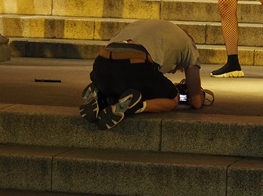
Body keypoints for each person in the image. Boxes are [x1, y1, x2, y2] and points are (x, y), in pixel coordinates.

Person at [79, 19, 207, 130]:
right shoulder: (189, 45)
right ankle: (136, 106)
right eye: (178, 69)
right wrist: (199, 93)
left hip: (101, 66)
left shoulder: (144, 26)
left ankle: (100, 93)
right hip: (136, 65)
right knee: (173, 98)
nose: (173, 71)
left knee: (125, 87)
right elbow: (196, 102)